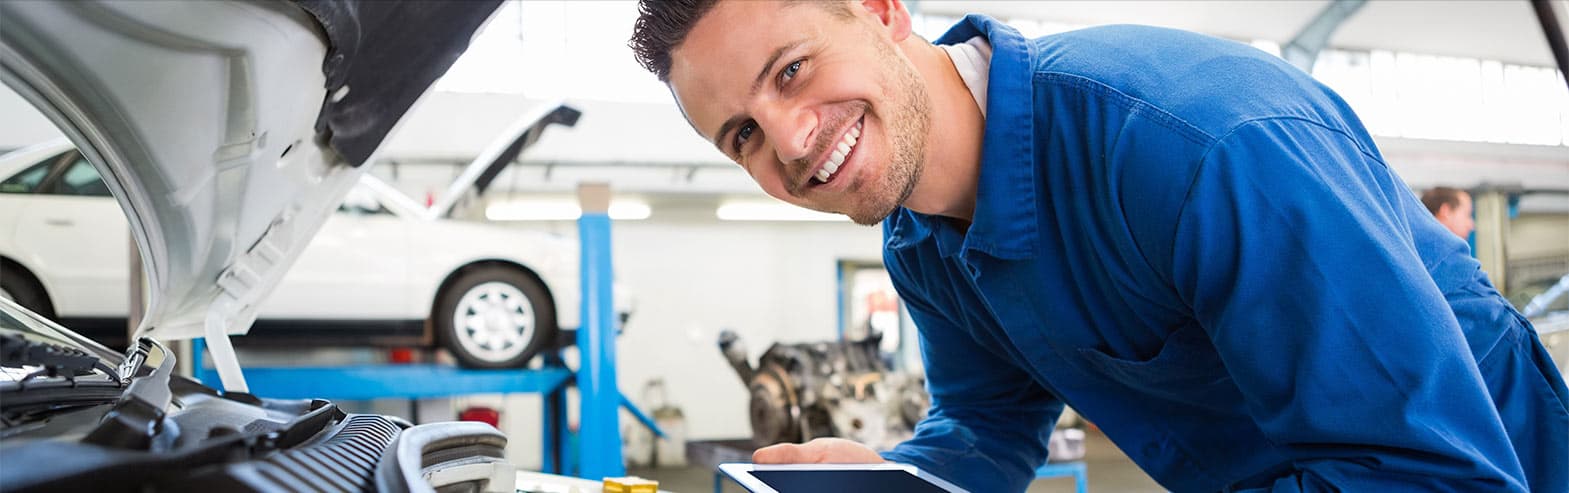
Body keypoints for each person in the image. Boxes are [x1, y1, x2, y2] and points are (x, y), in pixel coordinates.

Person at [629, 1, 1569, 491]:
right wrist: (901, 481)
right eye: (741, 135)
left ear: (879, 7)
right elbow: (987, 427)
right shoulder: (919, 242)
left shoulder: (1195, 145)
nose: (789, 142)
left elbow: (1425, 472)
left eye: (791, 71)